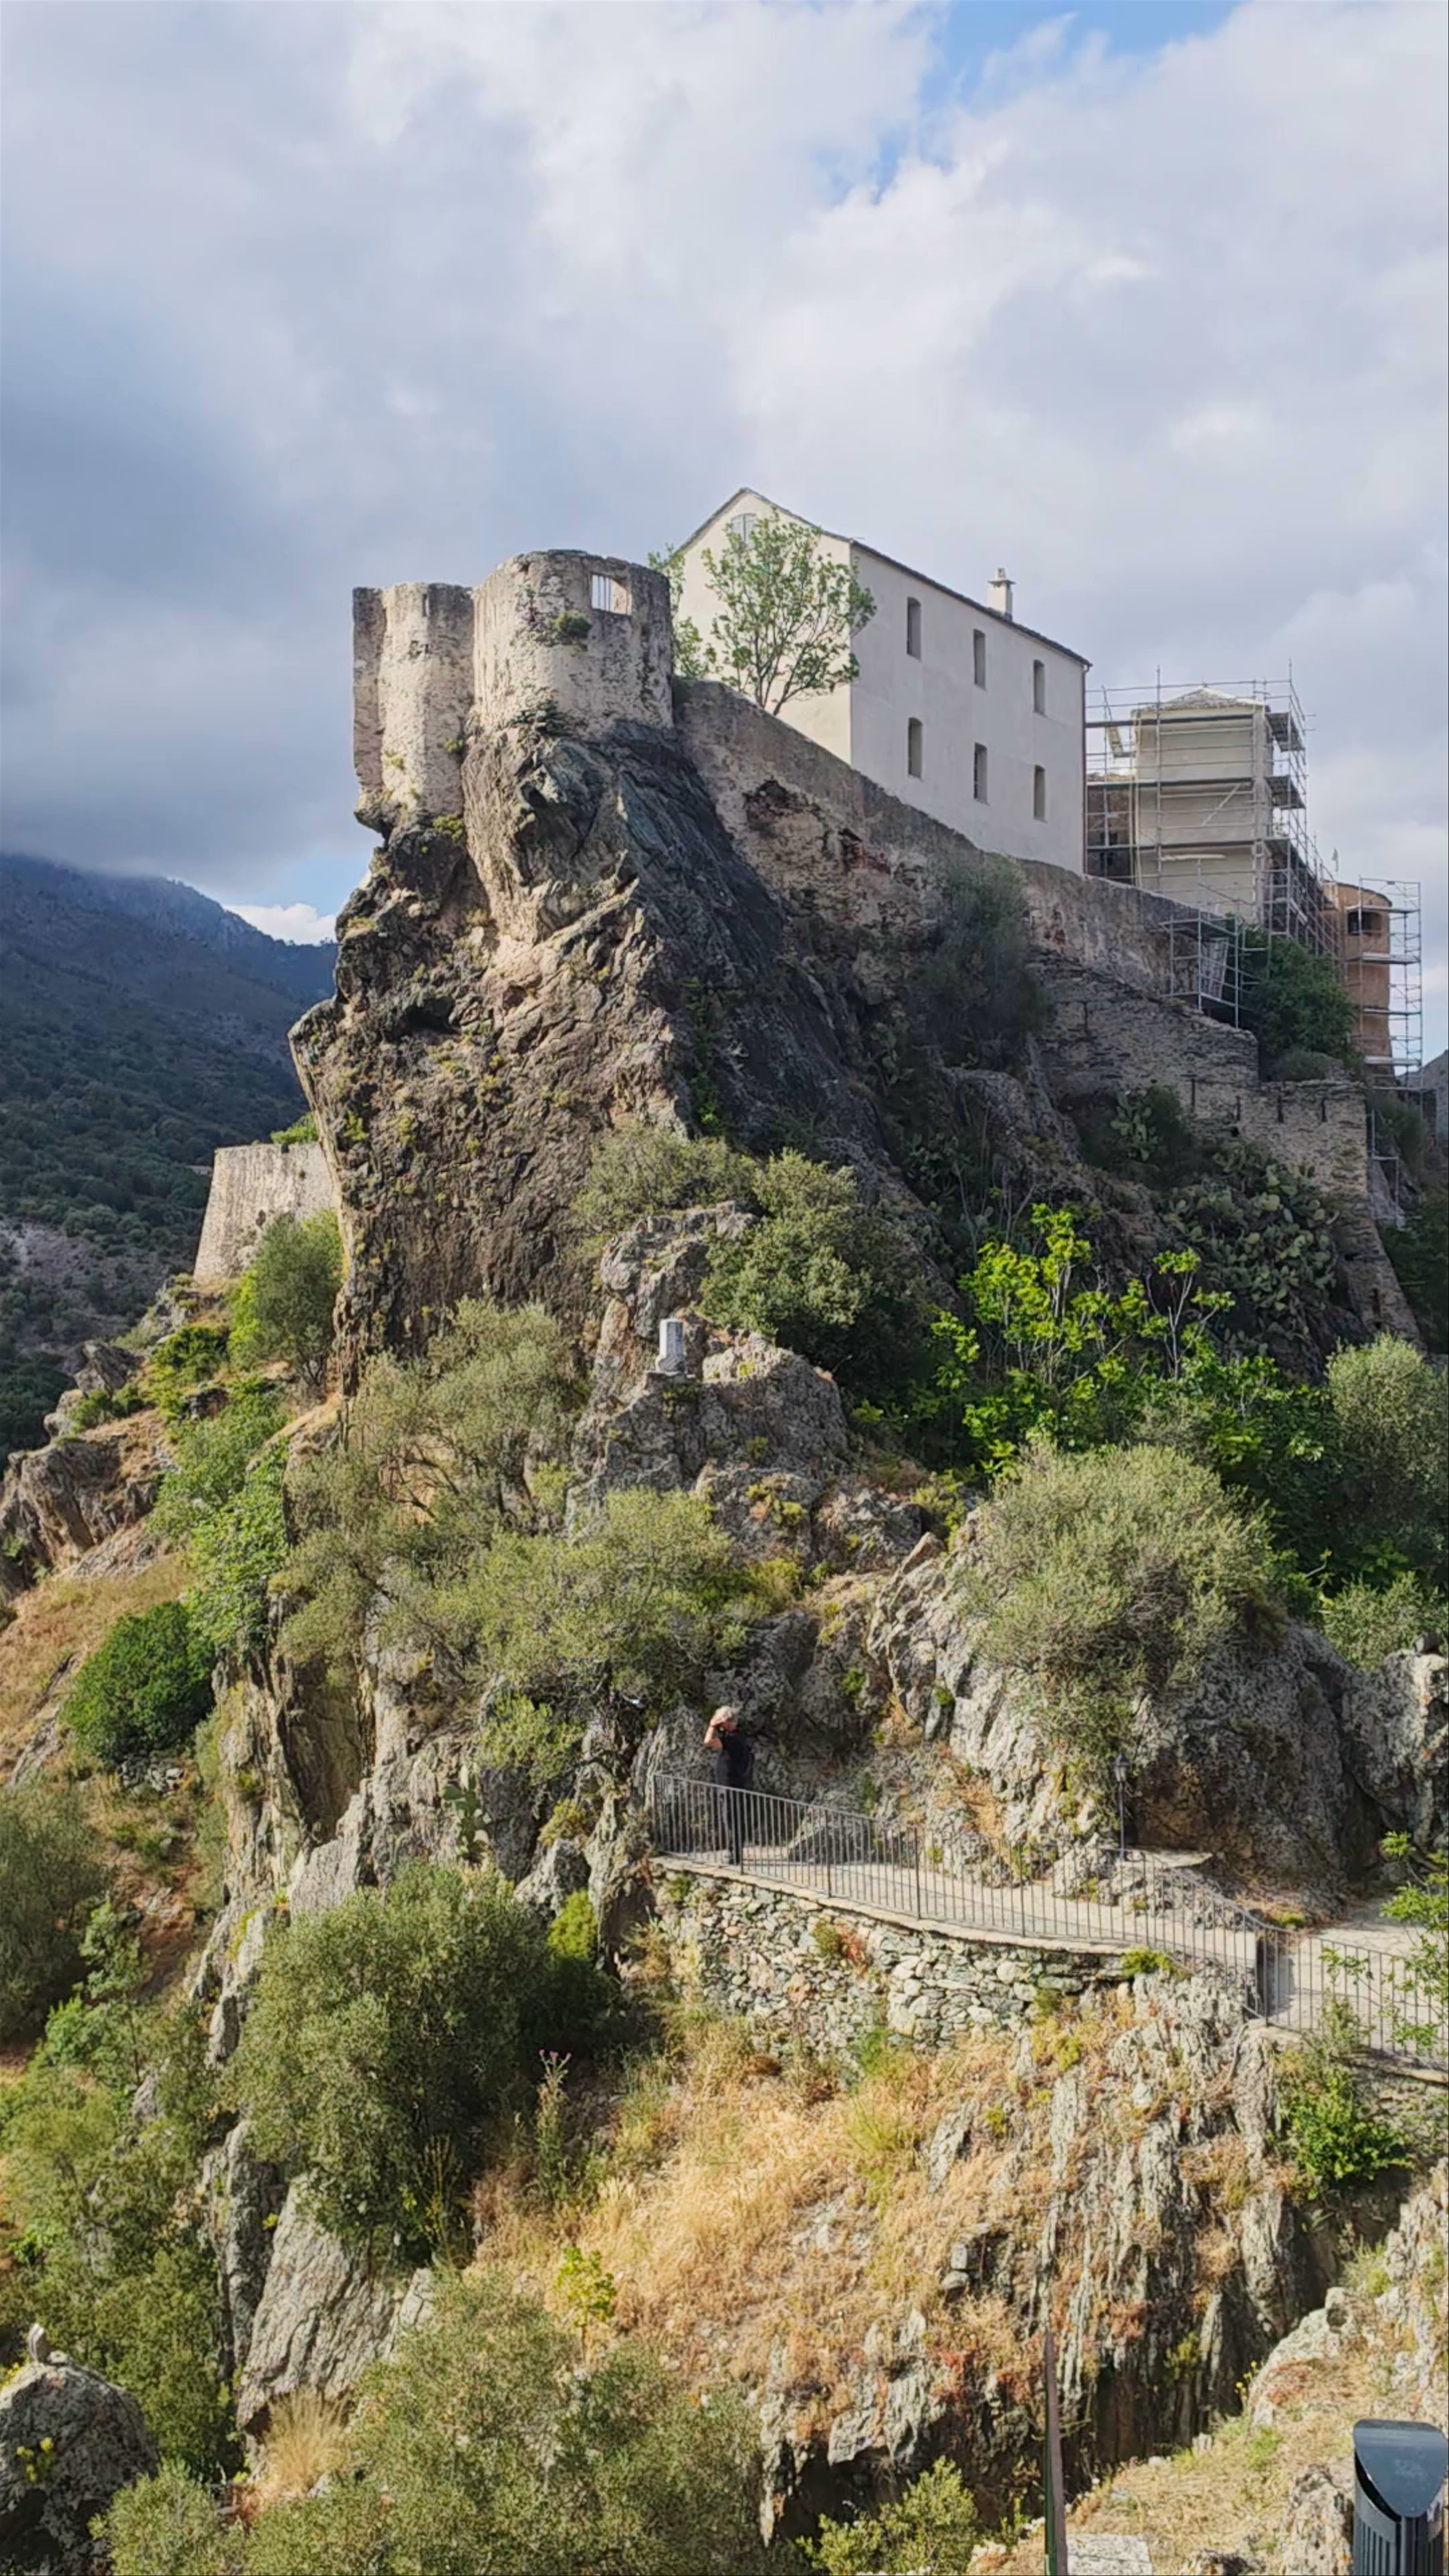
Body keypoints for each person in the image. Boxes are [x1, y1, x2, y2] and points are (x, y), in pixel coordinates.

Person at [703, 1703, 753, 1867]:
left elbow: (708, 1742)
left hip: (730, 1785)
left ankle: (734, 1854)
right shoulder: (740, 1737)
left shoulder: (733, 1739)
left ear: (726, 1722)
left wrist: (712, 1725)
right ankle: (736, 1852)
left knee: (731, 1819)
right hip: (736, 1784)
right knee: (735, 1819)